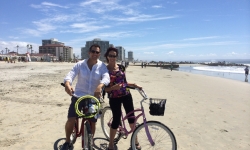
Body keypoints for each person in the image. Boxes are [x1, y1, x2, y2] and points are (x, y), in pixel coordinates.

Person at [61, 44, 110, 150]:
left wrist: (100, 85)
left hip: (93, 98)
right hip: (78, 96)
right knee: (71, 119)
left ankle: (90, 142)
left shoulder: (102, 66)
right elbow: (70, 75)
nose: (95, 54)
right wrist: (67, 84)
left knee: (93, 121)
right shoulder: (80, 64)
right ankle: (67, 141)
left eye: (97, 52)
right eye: (93, 51)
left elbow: (106, 77)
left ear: (99, 54)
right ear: (89, 52)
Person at [104, 47, 142, 150]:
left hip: (126, 95)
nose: (112, 57)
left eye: (114, 56)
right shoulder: (104, 70)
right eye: (110, 55)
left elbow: (124, 82)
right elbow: (105, 89)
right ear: (107, 56)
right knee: (116, 120)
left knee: (131, 119)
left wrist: (134, 84)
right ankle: (111, 143)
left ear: (117, 56)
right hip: (114, 98)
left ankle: (135, 142)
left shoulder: (121, 67)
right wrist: (113, 88)